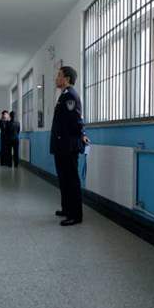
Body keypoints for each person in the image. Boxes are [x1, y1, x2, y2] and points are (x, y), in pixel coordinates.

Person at [50, 66, 89, 226]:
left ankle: (75, 215)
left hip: (68, 145)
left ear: (66, 79)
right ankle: (66, 209)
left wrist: (82, 135)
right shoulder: (63, 96)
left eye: (58, 75)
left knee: (71, 180)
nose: (56, 78)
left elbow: (76, 120)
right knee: (64, 179)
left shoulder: (70, 96)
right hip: (62, 145)